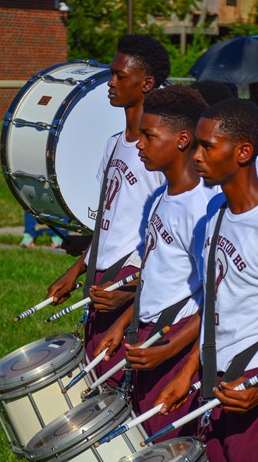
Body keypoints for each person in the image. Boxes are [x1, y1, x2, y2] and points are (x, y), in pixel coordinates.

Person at [154, 98, 258, 461]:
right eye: (195, 144)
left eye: (207, 146)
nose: (196, 155)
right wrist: (188, 373)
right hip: (216, 381)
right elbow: (217, 308)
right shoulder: (216, 214)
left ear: (243, 152)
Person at [92, 84, 215, 440]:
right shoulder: (162, 196)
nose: (139, 144)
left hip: (175, 344)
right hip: (145, 338)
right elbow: (154, 273)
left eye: (148, 135)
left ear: (181, 139)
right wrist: (125, 323)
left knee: (167, 445)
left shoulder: (204, 208)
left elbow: (215, 298)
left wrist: (172, 350)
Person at [46, 34, 171, 378]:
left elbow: (167, 235)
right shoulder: (114, 144)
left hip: (132, 280)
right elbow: (107, 221)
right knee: (94, 379)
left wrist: (130, 289)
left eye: (119, 76)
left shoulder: (159, 156)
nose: (110, 83)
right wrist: (77, 270)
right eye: (111, 74)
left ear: (147, 84)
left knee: (118, 385)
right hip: (99, 279)